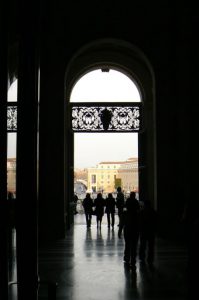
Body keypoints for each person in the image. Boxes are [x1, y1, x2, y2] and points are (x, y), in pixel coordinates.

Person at [118, 191, 140, 269]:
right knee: (134, 245)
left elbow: (121, 223)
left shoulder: (125, 214)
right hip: (135, 230)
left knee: (127, 245)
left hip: (127, 230)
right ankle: (133, 260)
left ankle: (126, 258)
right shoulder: (137, 215)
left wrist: (119, 231)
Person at [138, 199, 158, 266]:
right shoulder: (153, 212)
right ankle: (150, 259)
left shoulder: (142, 212)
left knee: (143, 245)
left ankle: (142, 257)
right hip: (151, 231)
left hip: (143, 231)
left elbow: (140, 222)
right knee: (151, 246)